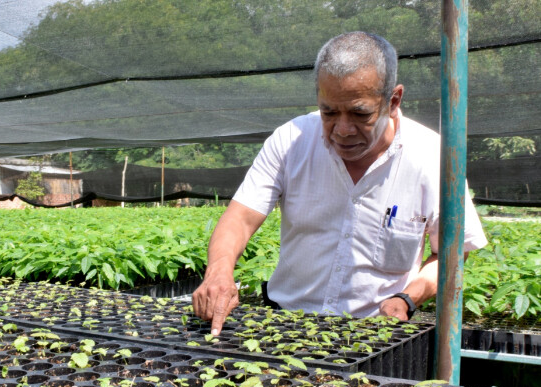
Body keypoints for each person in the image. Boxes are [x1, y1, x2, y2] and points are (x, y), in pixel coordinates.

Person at [192, 31, 488, 336]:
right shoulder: (291, 140)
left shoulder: (432, 157)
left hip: (376, 333)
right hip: (287, 326)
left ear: (393, 101)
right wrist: (219, 271)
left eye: (360, 113)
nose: (343, 129)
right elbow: (240, 218)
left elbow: (452, 252)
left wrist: (407, 299)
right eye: (329, 112)